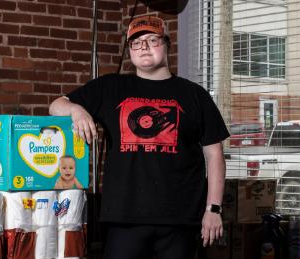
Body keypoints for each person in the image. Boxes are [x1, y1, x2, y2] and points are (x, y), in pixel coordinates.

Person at [49, 15, 229, 259]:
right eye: (137, 42)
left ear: (166, 45)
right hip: (124, 216)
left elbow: (214, 153)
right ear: (130, 51)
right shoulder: (110, 88)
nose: (144, 46)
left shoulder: (194, 94)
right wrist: (76, 109)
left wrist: (213, 209)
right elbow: (56, 105)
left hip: (180, 217)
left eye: (152, 39)